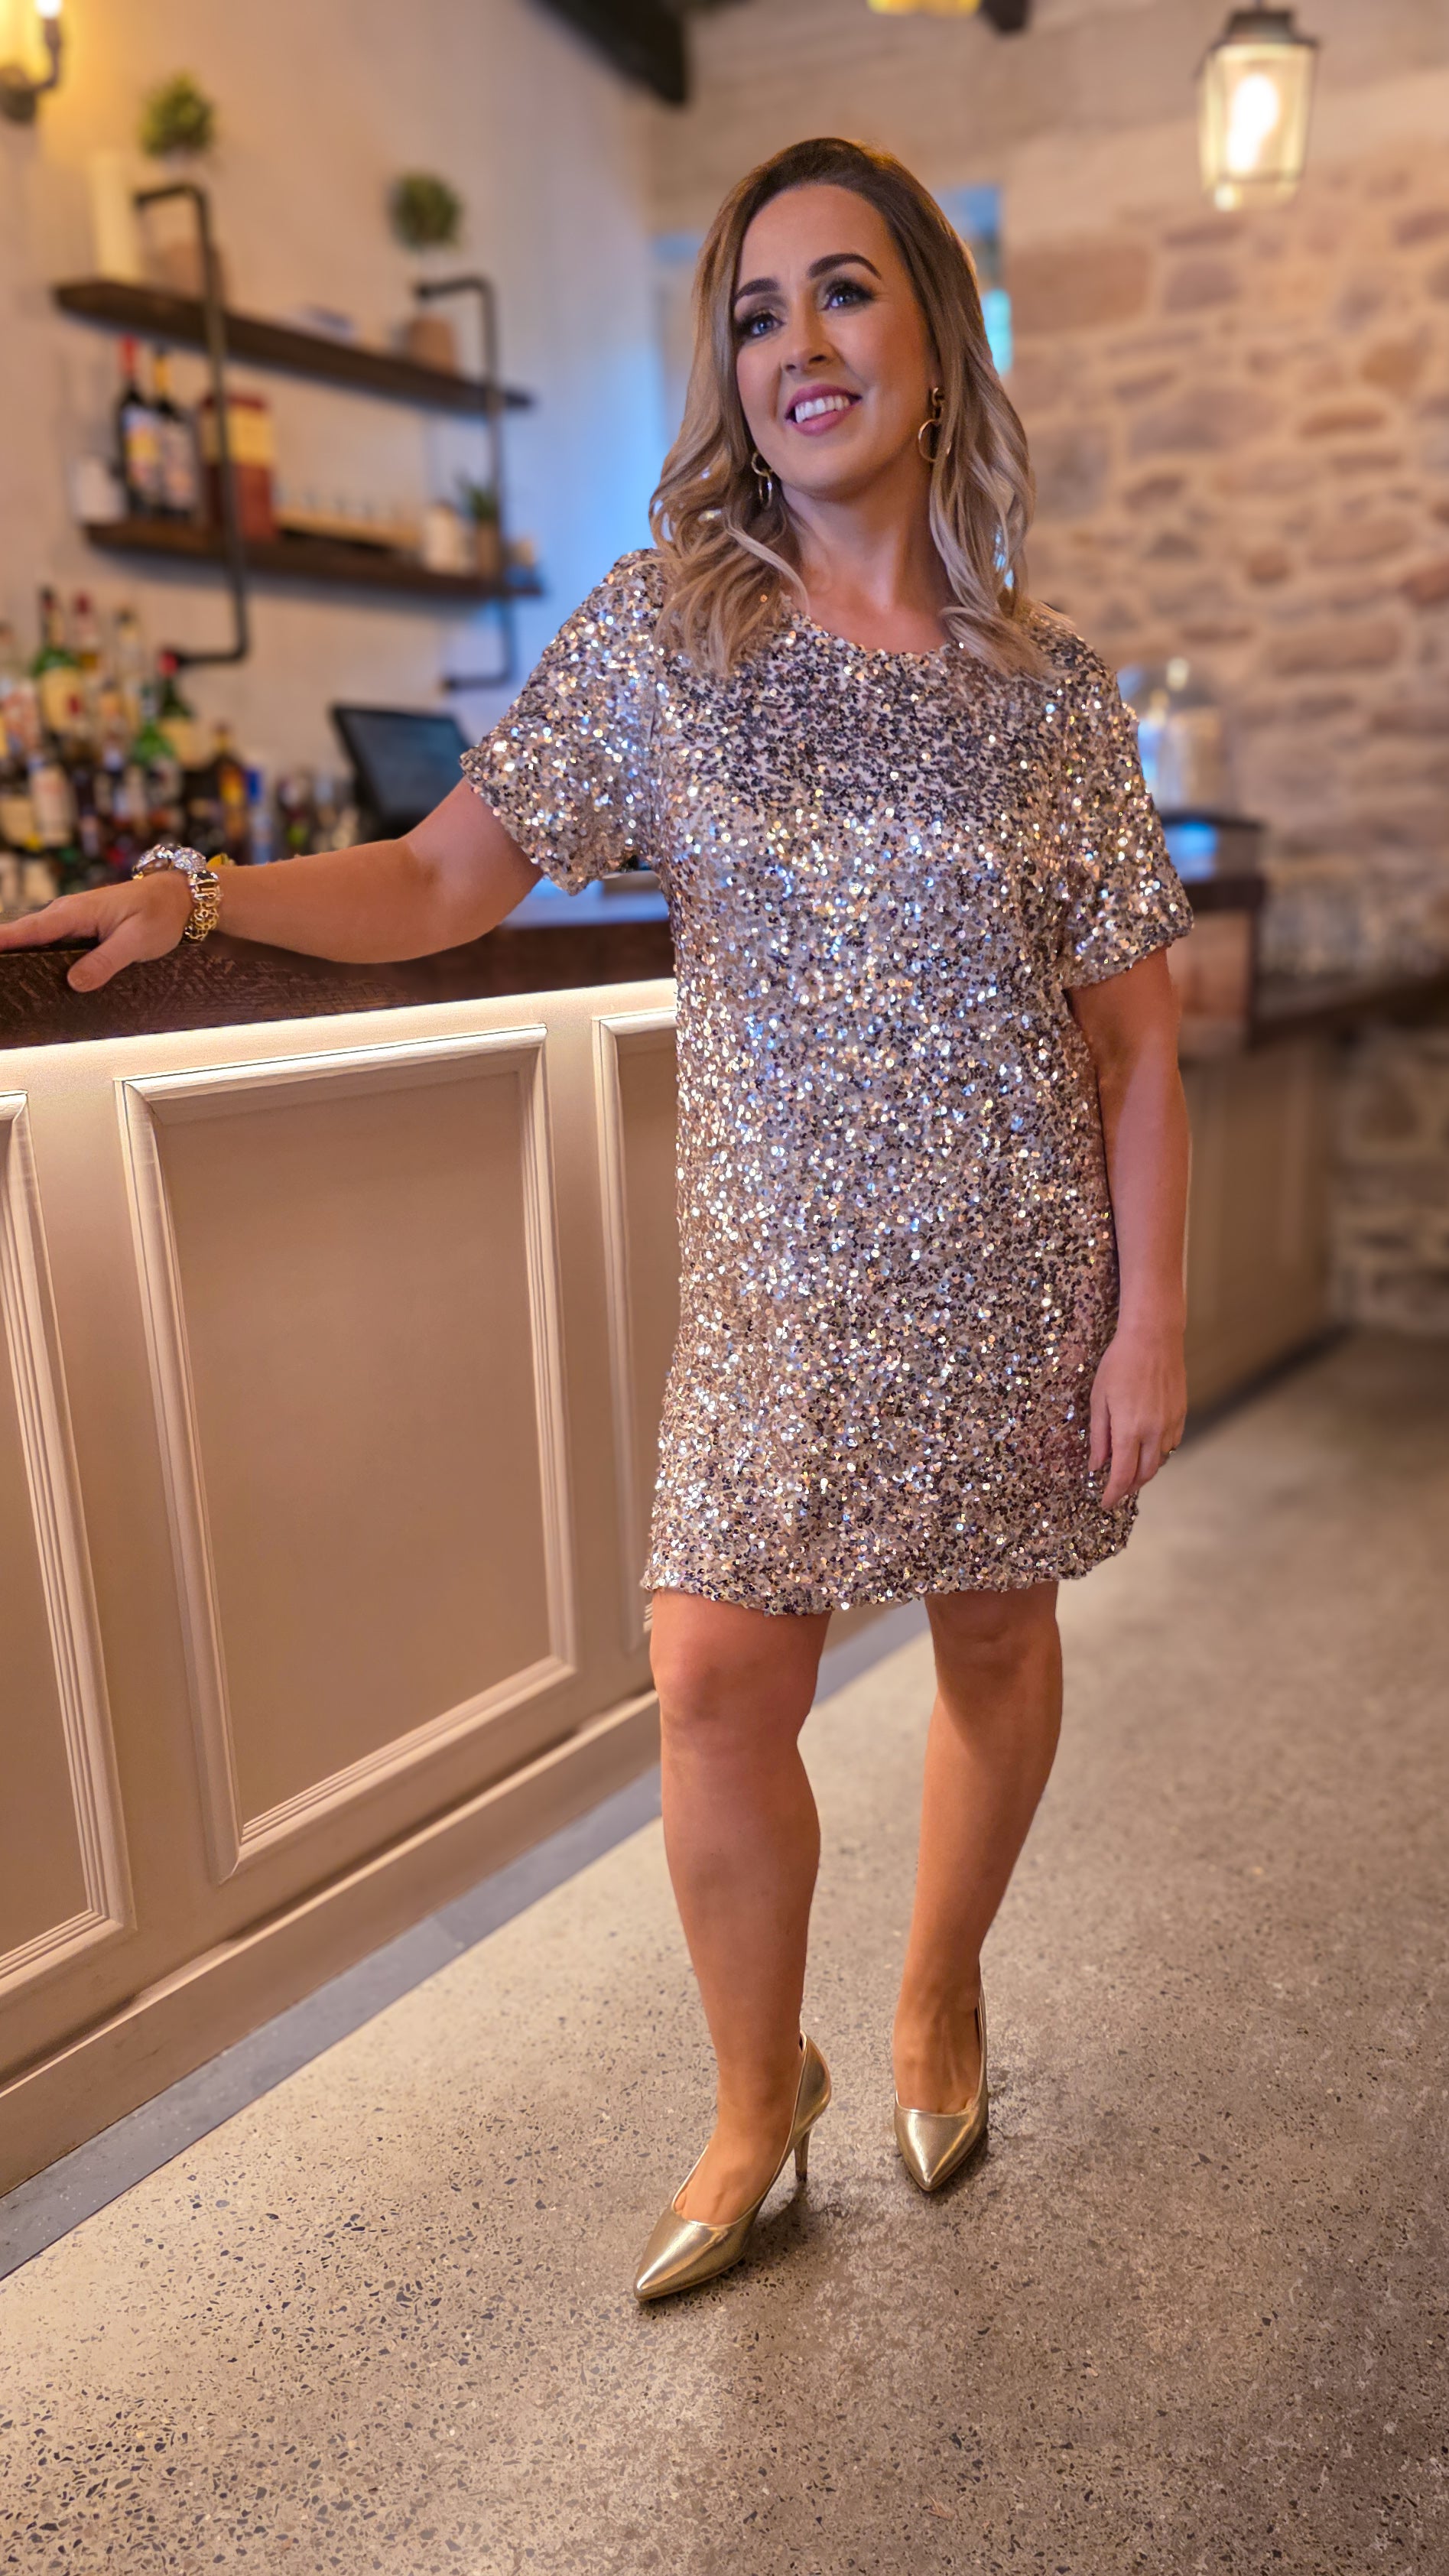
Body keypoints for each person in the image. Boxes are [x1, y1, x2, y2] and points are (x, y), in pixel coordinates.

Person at [0, 137, 1191, 2306]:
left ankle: (936, 1995)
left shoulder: (1050, 691)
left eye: (843, 291)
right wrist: (201, 891)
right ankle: (756, 2096)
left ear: (936, 333)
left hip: (1012, 1274)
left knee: (999, 1640)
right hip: (776, 1292)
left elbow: (1137, 1043)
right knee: (713, 1677)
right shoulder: (666, 634)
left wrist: (1147, 1322)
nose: (798, 343)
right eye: (754, 311)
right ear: (725, 373)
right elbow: (441, 879)